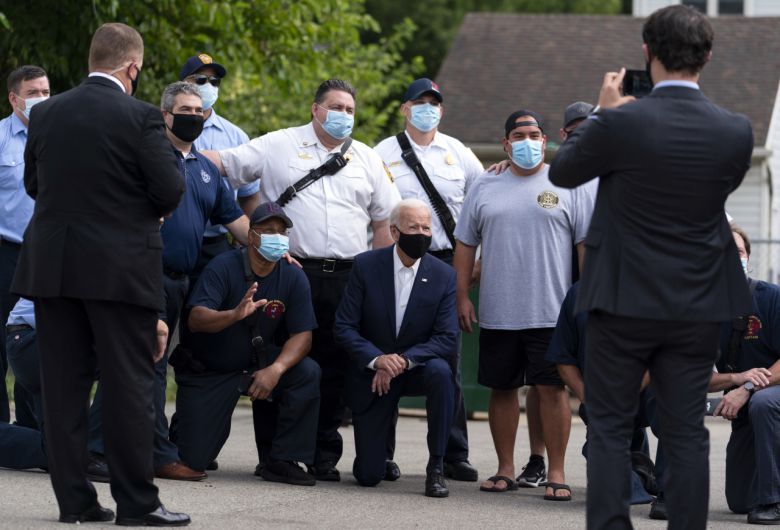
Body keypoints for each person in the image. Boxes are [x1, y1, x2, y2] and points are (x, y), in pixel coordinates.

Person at [548, 5, 754, 529]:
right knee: (686, 430)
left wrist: (601, 112)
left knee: (613, 427)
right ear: (707, 56)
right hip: (697, 302)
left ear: (647, 53)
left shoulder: (618, 123)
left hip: (622, 299)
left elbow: (565, 171)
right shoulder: (735, 131)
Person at [10, 22, 190, 526]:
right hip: (120, 271)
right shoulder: (140, 118)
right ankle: (138, 503)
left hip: (54, 269)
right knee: (128, 387)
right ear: (132, 67)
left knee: (64, 390)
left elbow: (34, 184)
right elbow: (170, 191)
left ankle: (76, 503)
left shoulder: (46, 114)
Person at [202, 79, 400, 481]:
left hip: (348, 275)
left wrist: (380, 274)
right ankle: (274, 453)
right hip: (291, 271)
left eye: (350, 109)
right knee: (277, 359)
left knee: (337, 366)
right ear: (315, 110)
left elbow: (385, 219)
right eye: (336, 107)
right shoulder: (278, 144)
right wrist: (171, 147)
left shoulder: (364, 157)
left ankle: (323, 455)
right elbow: (219, 163)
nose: (344, 115)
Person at [454, 109, 595, 499]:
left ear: (546, 141)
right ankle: (504, 468)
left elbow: (584, 246)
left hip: (552, 311)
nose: (527, 142)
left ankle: (557, 472)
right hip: (499, 310)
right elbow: (466, 244)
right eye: (519, 135)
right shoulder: (485, 184)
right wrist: (462, 294)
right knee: (502, 390)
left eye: (534, 134)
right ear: (505, 143)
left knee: (551, 391)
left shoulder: (568, 183)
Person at [373, 78, 482, 482]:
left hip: (446, 264)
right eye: (419, 102)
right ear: (404, 108)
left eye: (434, 103)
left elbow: (482, 198)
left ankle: (454, 453)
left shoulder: (459, 153)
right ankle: (382, 453)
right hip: (397, 260)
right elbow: (376, 211)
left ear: (442, 110)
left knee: (446, 359)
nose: (427, 109)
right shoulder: (381, 153)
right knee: (389, 351)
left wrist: (473, 267)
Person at [172, 202, 320, 486]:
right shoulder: (223, 266)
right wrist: (234, 315)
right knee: (192, 462)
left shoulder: (292, 274)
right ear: (251, 236)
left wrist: (276, 369)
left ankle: (280, 460)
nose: (277, 237)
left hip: (257, 364)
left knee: (307, 372)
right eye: (268, 231)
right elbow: (196, 319)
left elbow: (303, 335)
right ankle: (184, 427)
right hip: (212, 369)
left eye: (282, 232)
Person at [152, 81, 250, 482]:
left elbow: (236, 220)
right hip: (145, 275)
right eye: (185, 109)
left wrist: (274, 249)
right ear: (165, 114)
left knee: (178, 363)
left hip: (184, 281)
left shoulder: (207, 170)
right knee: (151, 365)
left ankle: (167, 443)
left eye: (199, 111)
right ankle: (155, 454)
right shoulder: (150, 158)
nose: (194, 116)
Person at [334, 199, 457, 497]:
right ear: (394, 231)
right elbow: (344, 326)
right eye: (413, 227)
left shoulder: (443, 275)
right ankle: (381, 459)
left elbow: (447, 336)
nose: (422, 233)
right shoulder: (366, 265)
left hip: (416, 368)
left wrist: (402, 361)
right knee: (367, 476)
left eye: (427, 227)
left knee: (442, 372)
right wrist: (377, 361)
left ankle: (436, 466)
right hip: (375, 374)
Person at [707, 226, 780, 525]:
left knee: (764, 402)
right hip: (746, 411)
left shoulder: (771, 298)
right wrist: (736, 381)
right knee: (739, 501)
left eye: (737, 252)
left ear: (748, 258)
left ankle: (772, 502)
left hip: (769, 398)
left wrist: (747, 387)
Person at [2, 298, 108, 480]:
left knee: (57, 451)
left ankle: (83, 451)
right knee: (124, 361)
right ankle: (91, 450)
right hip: (35, 340)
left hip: (39, 341)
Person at [179, 53, 260, 281]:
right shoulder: (163, 128)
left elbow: (250, 194)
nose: (209, 86)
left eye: (214, 82)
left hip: (217, 244)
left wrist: (245, 237)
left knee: (213, 312)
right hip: (173, 238)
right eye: (201, 80)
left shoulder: (236, 136)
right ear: (183, 84)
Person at [0, 65, 49, 426]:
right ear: (14, 98)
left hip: (48, 255)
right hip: (7, 252)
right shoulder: (0, 137)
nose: (41, 99)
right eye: (33, 93)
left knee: (38, 340)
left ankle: (32, 432)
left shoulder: (62, 136)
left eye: (46, 92)